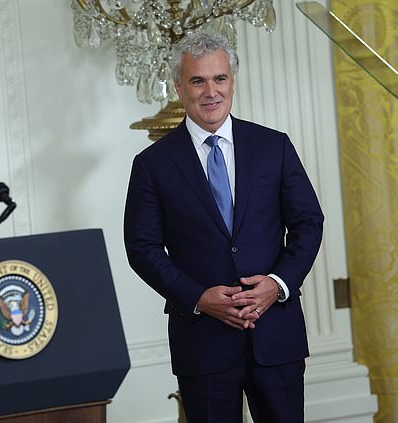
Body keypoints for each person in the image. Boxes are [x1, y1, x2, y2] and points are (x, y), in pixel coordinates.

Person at [123, 30, 324, 422]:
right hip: (203, 341)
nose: (210, 91)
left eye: (220, 78)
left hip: (276, 335)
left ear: (233, 80)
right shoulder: (152, 165)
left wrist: (277, 285)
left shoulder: (274, 146)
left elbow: (308, 222)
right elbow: (141, 248)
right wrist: (198, 297)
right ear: (179, 87)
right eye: (198, 80)